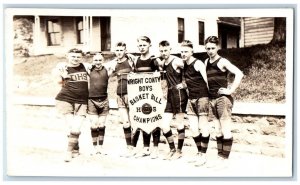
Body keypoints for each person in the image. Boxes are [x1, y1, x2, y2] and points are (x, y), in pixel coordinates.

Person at [204, 36, 244, 167]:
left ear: (217, 47)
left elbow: (239, 73)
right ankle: (219, 156)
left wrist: (230, 90)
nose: (210, 51)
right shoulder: (205, 62)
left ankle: (224, 158)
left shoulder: (222, 61)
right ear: (205, 48)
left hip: (223, 99)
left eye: (213, 48)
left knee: (226, 129)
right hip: (212, 99)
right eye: (208, 48)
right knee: (217, 131)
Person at [52, 48, 89, 162]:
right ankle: (70, 152)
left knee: (76, 127)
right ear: (67, 56)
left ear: (81, 57)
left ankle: (73, 149)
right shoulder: (62, 68)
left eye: (78, 56)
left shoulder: (85, 66)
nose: (75, 59)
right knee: (71, 127)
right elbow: (58, 83)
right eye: (73, 56)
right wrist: (62, 76)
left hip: (82, 101)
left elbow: (100, 64)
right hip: (65, 99)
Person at [130, 36, 161, 159]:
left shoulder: (154, 60)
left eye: (144, 45)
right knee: (143, 119)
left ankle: (156, 148)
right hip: (140, 95)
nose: (142, 47)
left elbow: (161, 76)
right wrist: (132, 75)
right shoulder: (136, 60)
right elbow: (134, 74)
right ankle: (146, 147)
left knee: (154, 120)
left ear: (149, 45)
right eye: (140, 45)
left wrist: (157, 74)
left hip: (153, 95)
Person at [180, 40, 210, 166]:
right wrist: (182, 85)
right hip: (191, 98)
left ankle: (203, 155)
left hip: (201, 98)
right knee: (193, 128)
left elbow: (207, 80)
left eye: (186, 51)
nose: (183, 54)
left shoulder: (198, 63)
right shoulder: (184, 64)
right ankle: (199, 152)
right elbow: (190, 80)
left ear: (192, 52)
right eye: (181, 51)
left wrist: (209, 97)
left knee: (203, 127)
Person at [157, 40, 188, 160]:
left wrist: (185, 83)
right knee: (164, 125)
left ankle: (179, 151)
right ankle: (172, 149)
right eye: (161, 51)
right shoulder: (164, 62)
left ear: (170, 49)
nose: (164, 53)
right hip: (170, 94)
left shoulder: (177, 61)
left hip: (179, 93)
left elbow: (190, 69)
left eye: (166, 50)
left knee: (179, 123)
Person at [105, 41, 135, 157]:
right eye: (117, 50)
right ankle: (129, 147)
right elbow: (103, 71)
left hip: (133, 94)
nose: (118, 52)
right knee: (126, 122)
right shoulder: (113, 64)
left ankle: (137, 146)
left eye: (121, 50)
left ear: (125, 51)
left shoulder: (131, 61)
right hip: (120, 94)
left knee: (135, 122)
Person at [87, 52, 113, 155]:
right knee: (94, 124)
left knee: (102, 124)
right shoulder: (89, 70)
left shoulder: (107, 70)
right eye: (96, 60)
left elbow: (115, 62)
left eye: (100, 60)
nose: (98, 62)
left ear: (103, 61)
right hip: (92, 100)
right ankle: (94, 148)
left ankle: (100, 147)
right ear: (93, 61)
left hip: (104, 99)